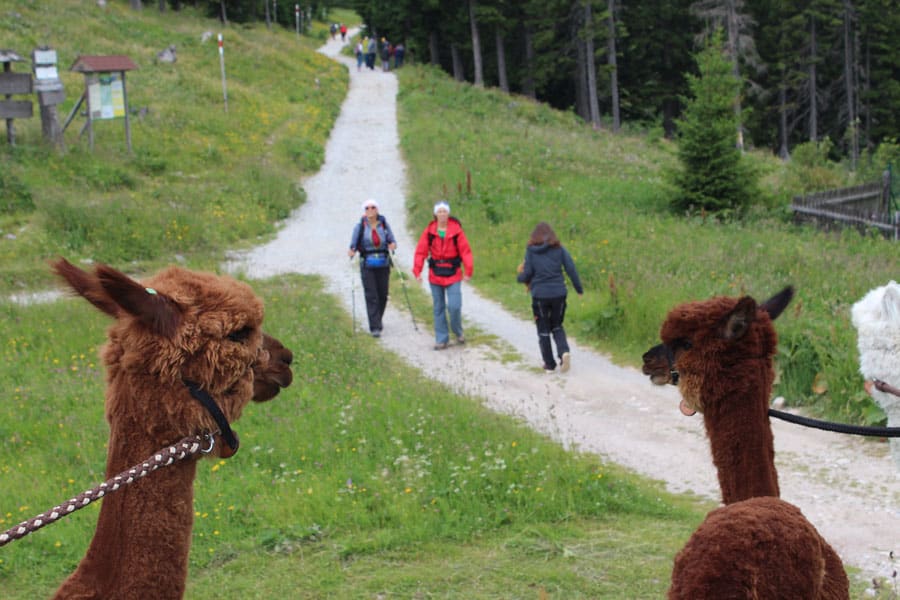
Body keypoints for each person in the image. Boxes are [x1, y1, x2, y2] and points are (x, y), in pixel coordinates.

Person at [516, 222, 583, 373]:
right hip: (559, 293)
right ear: (552, 235)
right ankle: (563, 352)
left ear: (534, 236)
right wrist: (578, 289)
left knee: (543, 329)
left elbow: (527, 273)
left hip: (540, 295)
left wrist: (520, 278)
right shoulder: (559, 249)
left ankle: (549, 363)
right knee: (557, 325)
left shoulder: (531, 251)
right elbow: (571, 269)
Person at [413, 201, 474, 350]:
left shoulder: (456, 231)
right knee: (438, 308)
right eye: (439, 212)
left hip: (453, 274)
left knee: (454, 306)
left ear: (448, 214)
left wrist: (469, 270)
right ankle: (441, 339)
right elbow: (421, 251)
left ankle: (458, 331)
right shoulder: (429, 232)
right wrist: (417, 270)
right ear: (435, 214)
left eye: (444, 211)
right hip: (435, 275)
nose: (442, 214)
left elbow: (465, 251)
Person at [348, 199, 397, 337]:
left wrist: (392, 245)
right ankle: (374, 326)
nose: (370, 210)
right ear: (364, 211)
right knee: (372, 295)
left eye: (373, 207)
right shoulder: (360, 227)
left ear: (377, 210)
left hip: (383, 262)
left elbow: (392, 240)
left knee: (383, 294)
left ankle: (378, 318)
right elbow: (353, 244)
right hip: (367, 263)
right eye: (367, 208)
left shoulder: (384, 225)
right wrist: (352, 251)